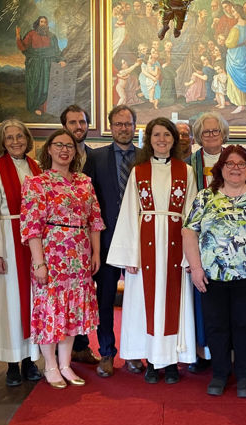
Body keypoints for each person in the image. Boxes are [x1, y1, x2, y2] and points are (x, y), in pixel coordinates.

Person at [183, 145, 246, 398]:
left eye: (241, 164)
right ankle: (220, 373)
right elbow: (188, 231)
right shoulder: (205, 196)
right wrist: (195, 268)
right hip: (211, 276)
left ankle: (245, 375)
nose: (235, 168)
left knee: (245, 325)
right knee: (216, 326)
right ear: (221, 168)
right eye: (230, 164)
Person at [108, 118, 198, 384]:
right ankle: (149, 360)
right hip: (145, 246)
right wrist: (129, 257)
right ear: (149, 140)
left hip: (175, 243)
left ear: (174, 139)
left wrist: (190, 256)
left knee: (173, 304)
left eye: (166, 135)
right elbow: (128, 215)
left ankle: (171, 362)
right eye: (156, 135)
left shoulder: (187, 171)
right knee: (144, 307)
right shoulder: (139, 171)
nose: (161, 140)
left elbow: (191, 215)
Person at [21, 129, 105, 389]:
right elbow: (31, 226)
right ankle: (50, 366)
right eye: (59, 145)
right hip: (51, 256)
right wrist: (39, 263)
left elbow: (95, 220)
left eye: (69, 146)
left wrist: (96, 253)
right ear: (49, 150)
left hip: (79, 257)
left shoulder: (84, 182)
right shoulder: (37, 183)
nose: (64, 150)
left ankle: (66, 364)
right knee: (51, 312)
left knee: (71, 313)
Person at [83, 105, 147, 377]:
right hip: (107, 239)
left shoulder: (146, 157)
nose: (124, 128)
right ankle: (107, 352)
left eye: (128, 124)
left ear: (135, 126)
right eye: (118, 124)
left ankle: (134, 354)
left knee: (137, 300)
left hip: (141, 241)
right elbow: (88, 201)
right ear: (110, 127)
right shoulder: (96, 158)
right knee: (105, 298)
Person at [0, 119, 42, 387]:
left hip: (34, 243)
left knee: (33, 301)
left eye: (20, 136)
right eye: (10, 138)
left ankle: (31, 360)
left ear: (27, 139)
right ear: (2, 142)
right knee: (10, 303)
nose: (16, 141)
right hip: (8, 238)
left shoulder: (36, 168)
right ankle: (11, 364)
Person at [187, 112, 230, 373]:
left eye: (215, 131)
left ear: (223, 134)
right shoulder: (190, 163)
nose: (211, 136)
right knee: (202, 295)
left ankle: (228, 351)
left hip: (231, 241)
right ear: (198, 136)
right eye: (206, 132)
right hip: (201, 239)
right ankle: (203, 351)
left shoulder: (236, 159)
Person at [60, 105, 103, 366]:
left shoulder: (96, 157)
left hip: (88, 234)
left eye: (83, 122)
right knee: (61, 296)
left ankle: (81, 345)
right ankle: (59, 349)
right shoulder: (51, 158)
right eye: (73, 122)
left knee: (83, 293)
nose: (79, 127)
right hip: (59, 240)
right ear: (63, 126)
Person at [16, 16, 65, 115]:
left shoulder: (52, 36)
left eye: (45, 22)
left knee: (46, 86)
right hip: (35, 64)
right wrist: (18, 36)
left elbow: (56, 51)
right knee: (35, 85)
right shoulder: (31, 34)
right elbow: (23, 47)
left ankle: (43, 107)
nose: (43, 24)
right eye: (41, 22)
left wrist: (61, 60)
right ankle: (35, 107)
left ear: (47, 24)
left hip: (48, 64)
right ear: (38, 23)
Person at [224, 7, 246, 114]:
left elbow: (229, 43)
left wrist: (226, 41)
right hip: (244, 51)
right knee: (243, 76)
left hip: (235, 53)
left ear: (239, 13)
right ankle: (244, 102)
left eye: (234, 11)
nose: (232, 13)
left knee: (235, 77)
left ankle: (240, 104)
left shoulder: (236, 28)